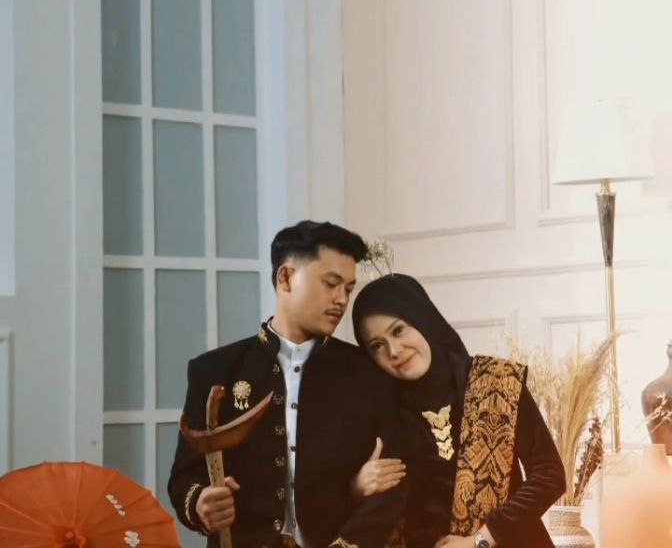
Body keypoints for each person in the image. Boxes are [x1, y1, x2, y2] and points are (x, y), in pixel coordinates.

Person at [168, 221, 405, 548]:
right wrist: (200, 504)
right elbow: (184, 478)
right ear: (286, 278)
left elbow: (394, 483)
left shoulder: (367, 374)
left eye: (348, 289)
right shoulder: (216, 370)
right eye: (331, 284)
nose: (341, 300)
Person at [350, 273, 565, 548]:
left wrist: (480, 540)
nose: (393, 351)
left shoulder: (496, 381)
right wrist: (357, 488)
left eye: (399, 330)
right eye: (377, 346)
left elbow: (550, 475)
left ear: (422, 319)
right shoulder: (381, 413)